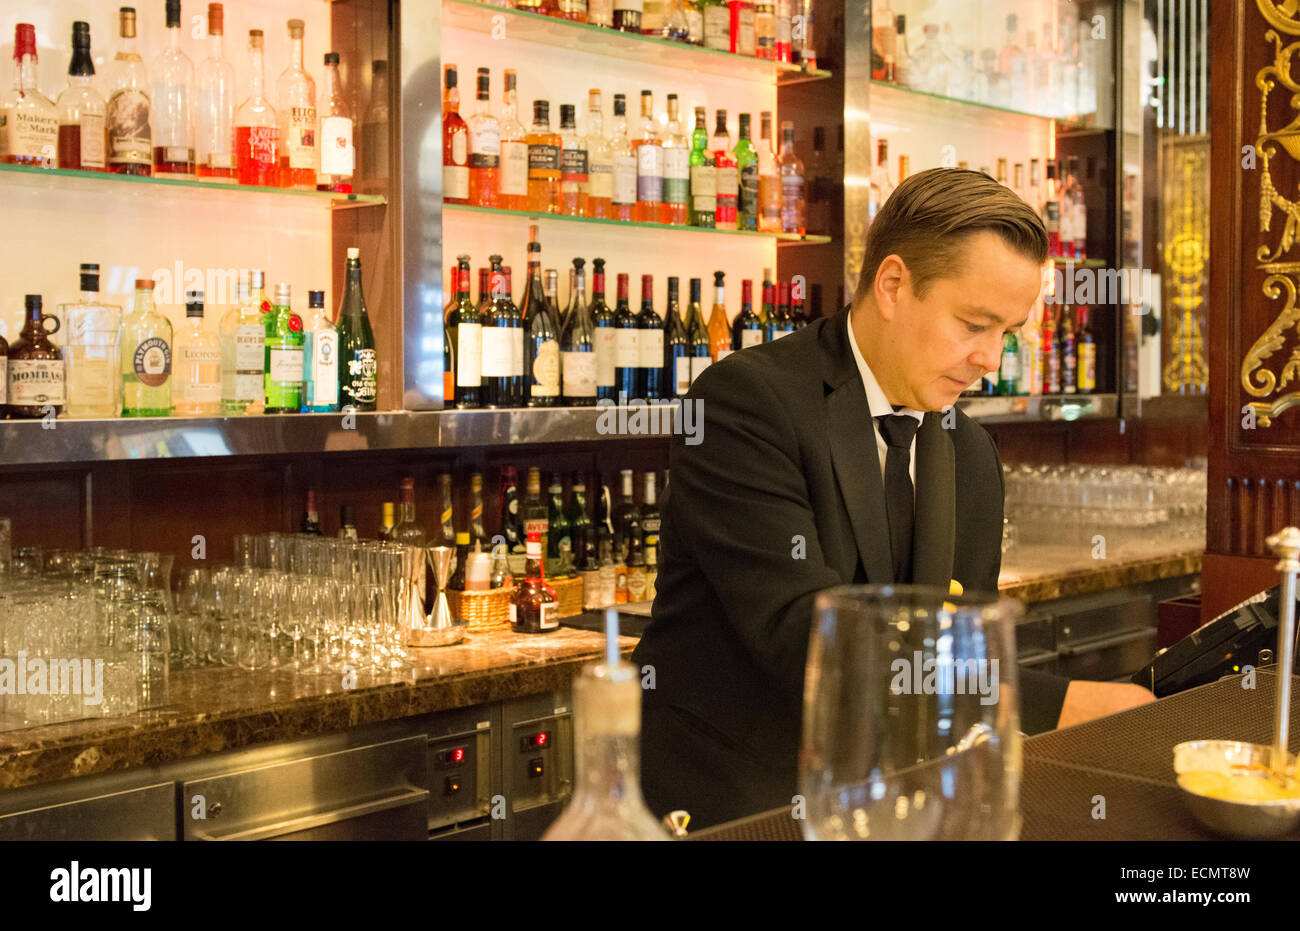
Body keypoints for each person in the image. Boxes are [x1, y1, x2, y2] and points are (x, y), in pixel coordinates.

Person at [634, 167, 1156, 830]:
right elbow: (808, 637)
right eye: (974, 323)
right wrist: (1050, 703)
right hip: (732, 805)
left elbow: (957, 647)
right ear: (892, 285)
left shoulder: (970, 455)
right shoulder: (744, 403)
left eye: (1009, 333)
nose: (991, 358)